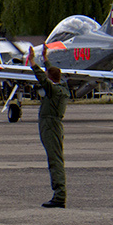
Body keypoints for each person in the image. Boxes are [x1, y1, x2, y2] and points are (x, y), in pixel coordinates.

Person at [27, 47, 68, 207]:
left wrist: (32, 62)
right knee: (55, 158)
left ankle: (59, 195)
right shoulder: (62, 88)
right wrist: (45, 59)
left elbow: (43, 79)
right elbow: (50, 75)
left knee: (55, 160)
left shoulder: (52, 90)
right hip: (55, 125)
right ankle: (59, 193)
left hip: (50, 126)